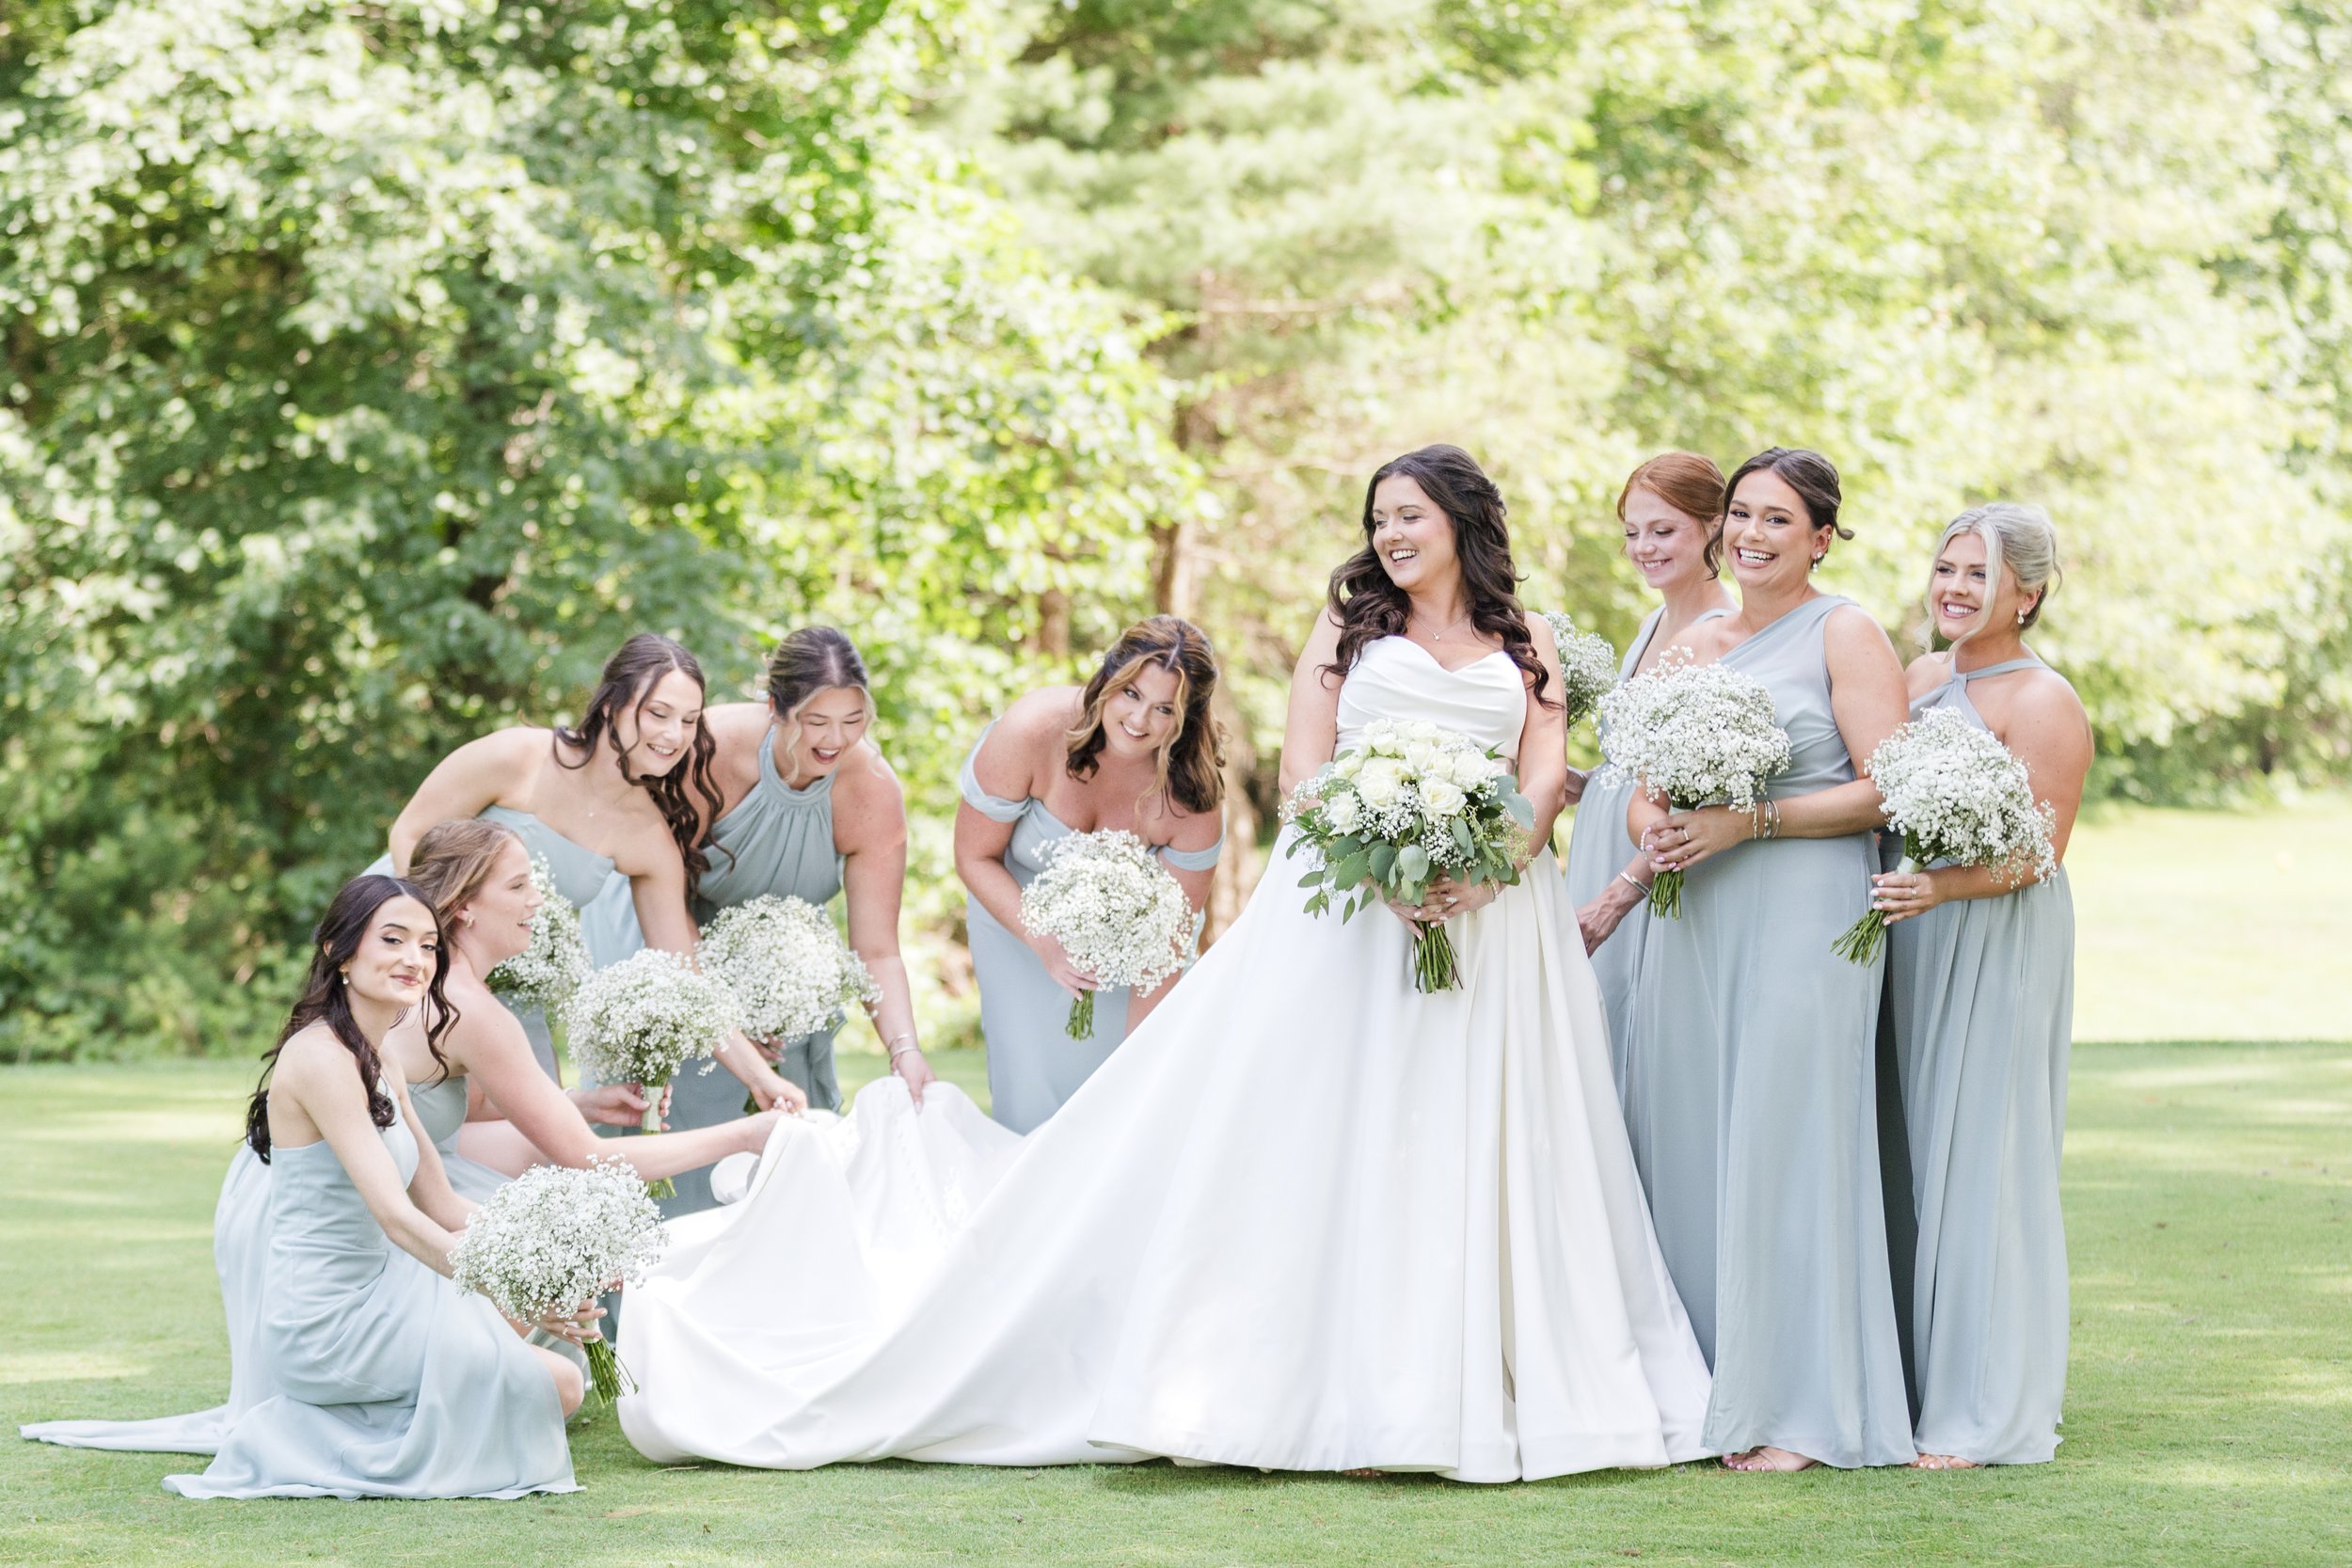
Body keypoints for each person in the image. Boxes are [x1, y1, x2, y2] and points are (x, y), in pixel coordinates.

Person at [613, 444, 1712, 1481]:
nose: (1387, 535)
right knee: (1346, 1131)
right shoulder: (1345, 630)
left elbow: (1539, 775)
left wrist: (1481, 872)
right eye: (1377, 518)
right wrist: (1384, 871)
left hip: (1493, 915)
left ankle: (1494, 1371)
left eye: (1408, 516)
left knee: (1482, 1127)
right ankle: (1351, 1383)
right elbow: (1309, 777)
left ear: (1464, 520)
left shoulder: (1530, 642)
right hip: (1353, 905)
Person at [23, 877, 590, 1499]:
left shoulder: (383, 1056)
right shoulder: (319, 1058)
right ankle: (308, 1429)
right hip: (327, 1320)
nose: (414, 958)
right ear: (339, 951)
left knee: (528, 1352)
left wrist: (548, 1260)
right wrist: (516, 1285)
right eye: (393, 939)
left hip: (389, 1290)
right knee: (558, 1384)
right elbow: (398, 1219)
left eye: (428, 945)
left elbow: (445, 1204)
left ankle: (365, 1415)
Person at [1628, 447, 1916, 1471]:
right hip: (1696, 912)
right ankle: (1704, 1388)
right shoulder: (1692, 640)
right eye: (1742, 514)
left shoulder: (1846, 630)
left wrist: (1752, 820)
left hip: (1804, 906)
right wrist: (1652, 822)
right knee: (1696, 1136)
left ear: (1821, 536)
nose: (1751, 534)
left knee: (1790, 1142)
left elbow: (1885, 789)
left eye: (1778, 519)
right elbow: (1641, 782)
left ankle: (1799, 1407)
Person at [1879, 503, 2091, 1468]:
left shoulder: (2043, 699)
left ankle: (1986, 1409)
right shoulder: (1919, 678)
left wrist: (1941, 883)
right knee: (1913, 1150)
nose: (1954, 587)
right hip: (1911, 931)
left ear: (2027, 592)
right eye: (1946, 568)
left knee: (1984, 1157)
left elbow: (2039, 851)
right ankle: (1917, 1380)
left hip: (1994, 933)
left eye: (1978, 574)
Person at [385, 632, 802, 1113]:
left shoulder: (648, 837)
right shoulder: (519, 757)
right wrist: (428, 961)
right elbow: (409, 835)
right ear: (611, 706)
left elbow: (683, 973)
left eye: (689, 721)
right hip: (405, 947)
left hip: (510, 985)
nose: (673, 735)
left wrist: (759, 1077)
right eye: (658, 713)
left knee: (540, 1133)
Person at [656, 628, 935, 1212]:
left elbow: (876, 949)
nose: (837, 739)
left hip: (783, 983)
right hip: (675, 962)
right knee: (687, 1172)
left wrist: (904, 1049)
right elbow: (664, 908)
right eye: (816, 720)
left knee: (792, 1188)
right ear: (775, 708)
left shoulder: (872, 790)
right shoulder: (708, 755)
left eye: (853, 719)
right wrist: (726, 1029)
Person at [392, 817, 784, 1198]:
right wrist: (746, 1135)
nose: (537, 898)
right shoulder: (471, 1007)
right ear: (463, 906)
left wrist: (584, 1104)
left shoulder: (441, 983)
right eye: (517, 886)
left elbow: (469, 1116)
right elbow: (584, 1156)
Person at [954, 617, 1225, 1132]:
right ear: (1108, 678)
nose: (1140, 720)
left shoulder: (1193, 802)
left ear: (1188, 718)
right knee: (1027, 1093)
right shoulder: (1034, 729)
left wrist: (1136, 1063)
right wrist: (1047, 943)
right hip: (1015, 925)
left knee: (1115, 1105)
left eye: (1164, 709)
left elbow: (1168, 943)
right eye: (1131, 694)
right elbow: (973, 856)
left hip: (1130, 959)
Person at [1561, 452, 1737, 1095]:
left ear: (1713, 526)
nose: (1642, 547)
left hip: (1645, 867)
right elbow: (1630, 772)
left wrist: (1618, 894)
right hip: (1602, 842)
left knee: (1637, 1035)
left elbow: (1684, 797)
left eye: (1662, 530)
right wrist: (1566, 782)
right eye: (1632, 532)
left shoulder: (1720, 636)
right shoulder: (1653, 622)